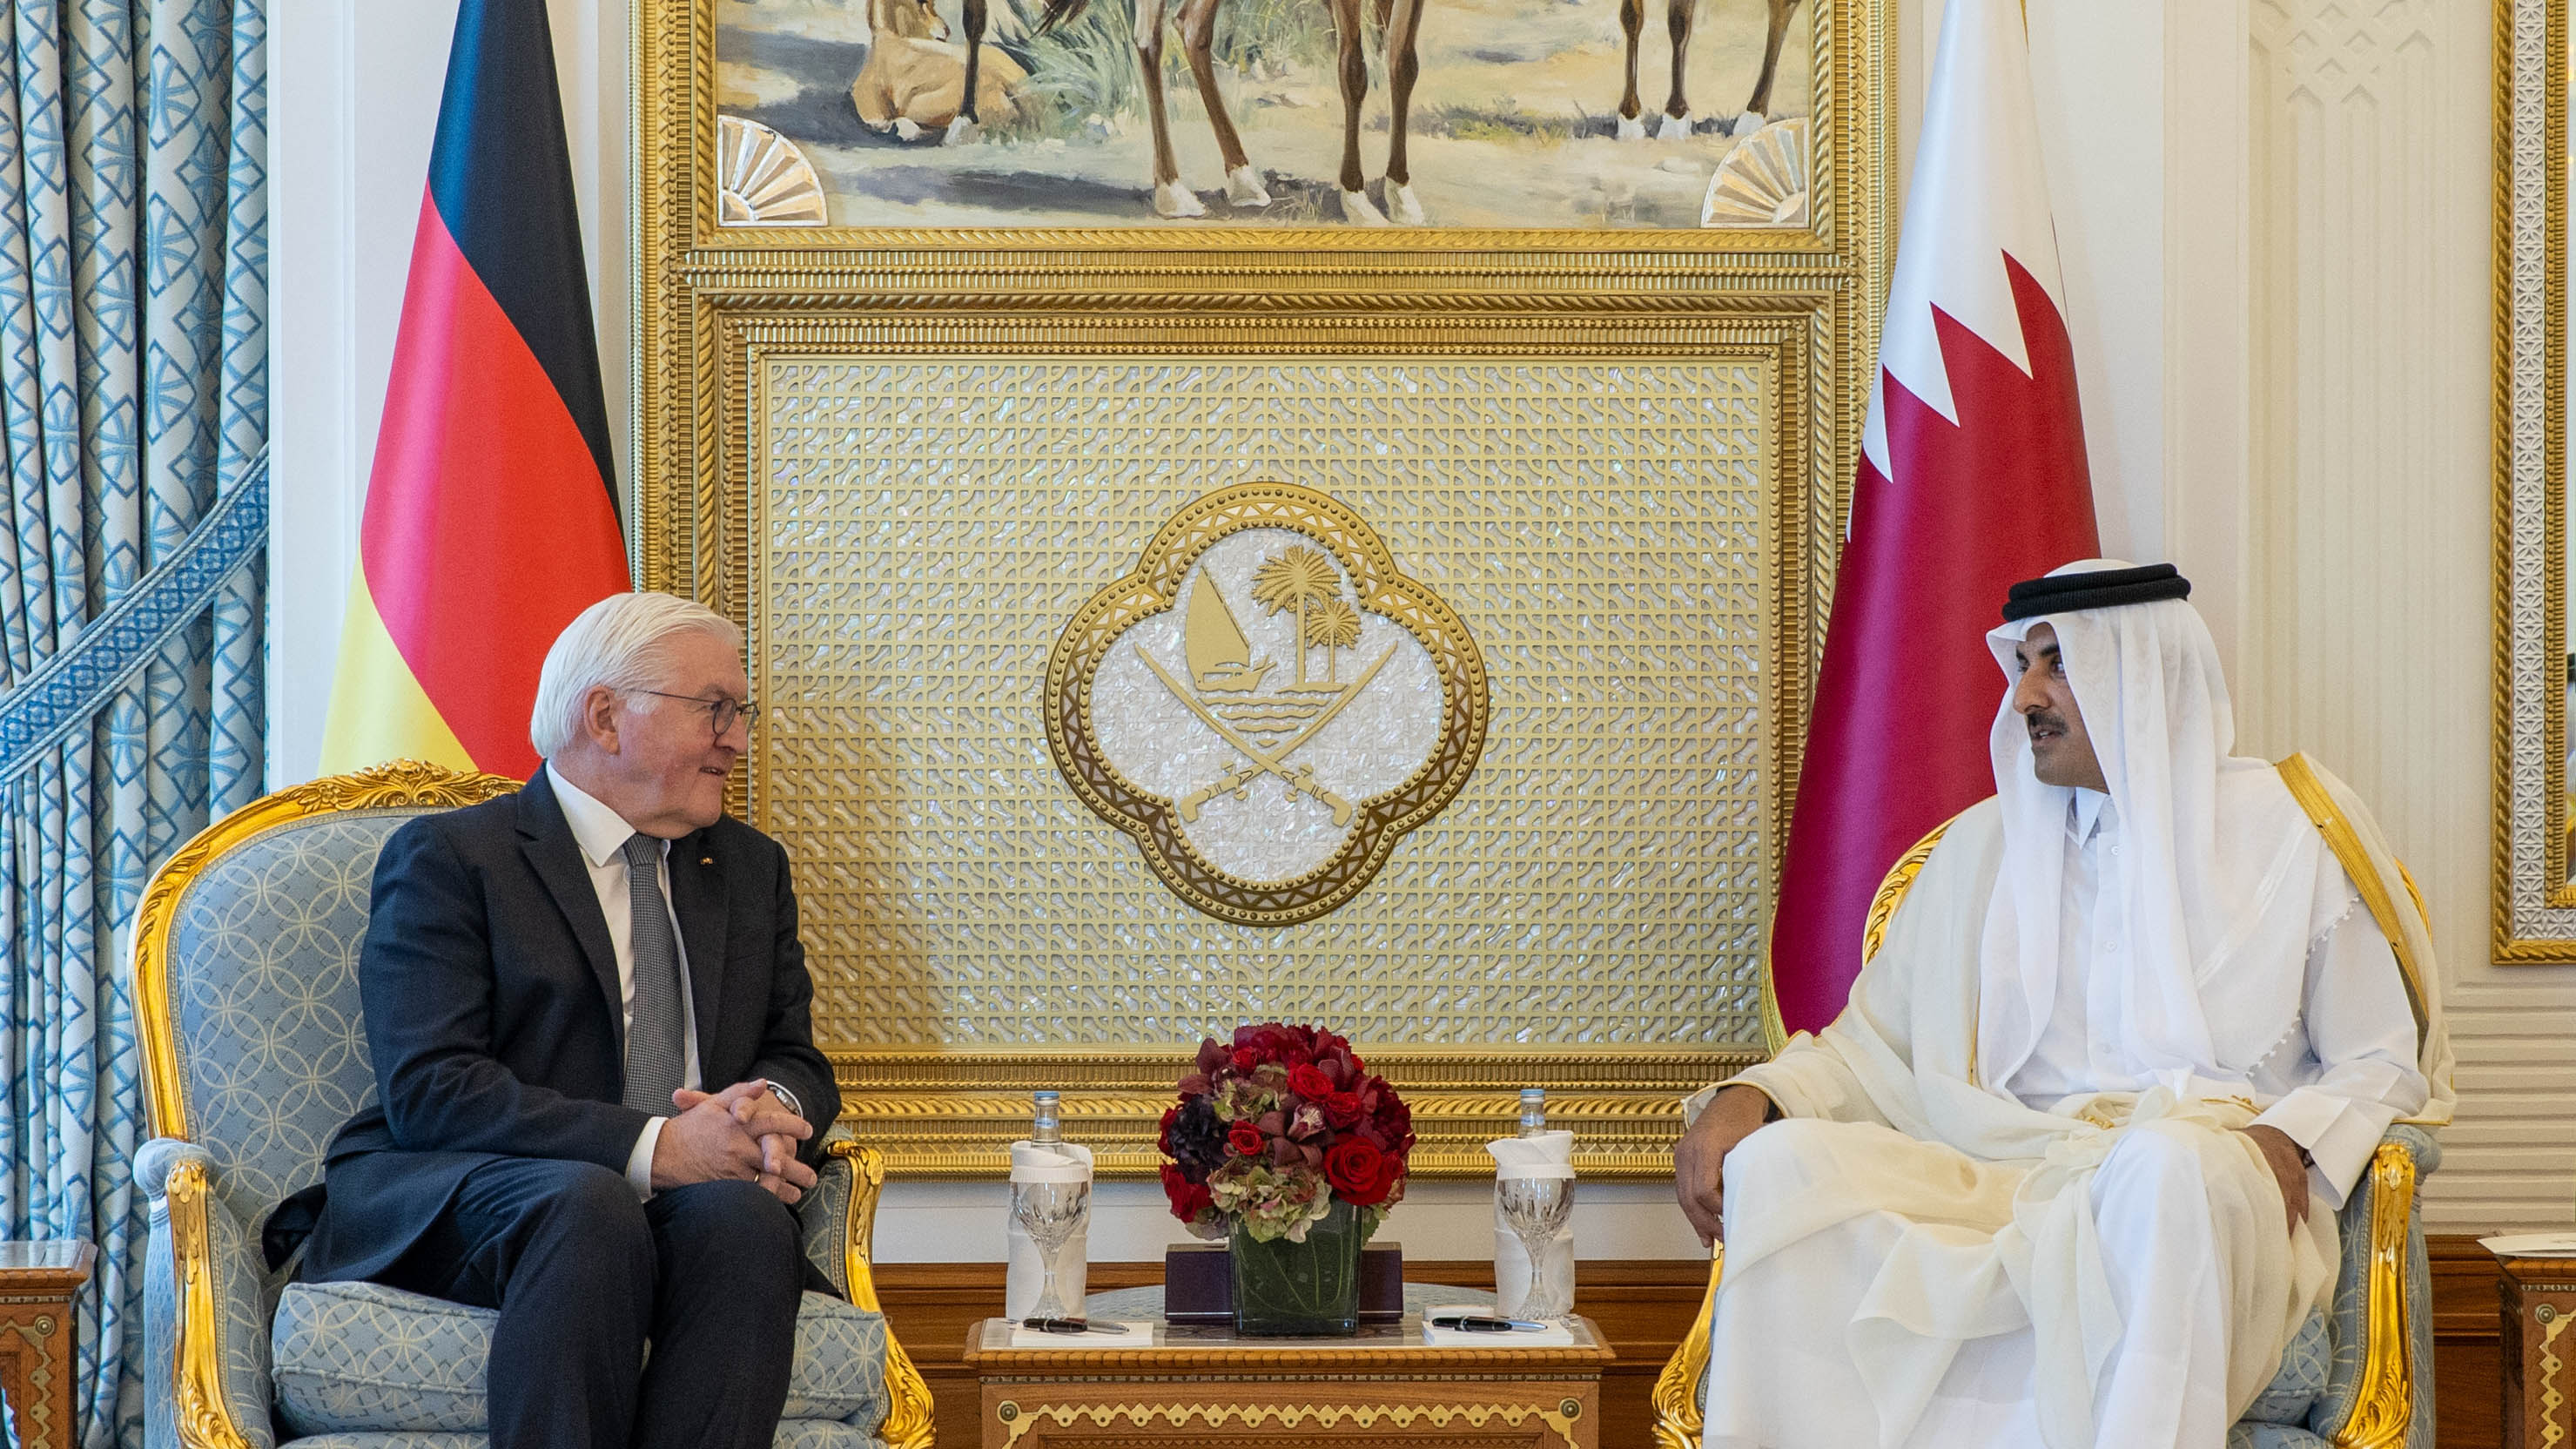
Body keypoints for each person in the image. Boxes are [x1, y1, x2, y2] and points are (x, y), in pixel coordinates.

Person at [1671, 560, 2455, 1449]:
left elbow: (2385, 1056)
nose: (2023, 698)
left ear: (2146, 674)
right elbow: (1869, 1051)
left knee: (2160, 1165)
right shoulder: (1980, 850)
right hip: (2009, 1171)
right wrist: (1756, 1095)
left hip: (2207, 1181)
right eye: (2024, 666)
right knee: (1785, 1166)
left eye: (2057, 665)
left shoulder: (2291, 828)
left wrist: (2290, 1134)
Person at [301, 591, 842, 1449]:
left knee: (745, 1221)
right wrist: (658, 1147)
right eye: (716, 709)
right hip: (481, 1192)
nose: (737, 737)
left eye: (740, 712)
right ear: (605, 715)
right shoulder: (453, 858)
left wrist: (763, 1114)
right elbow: (432, 1088)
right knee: (587, 1203)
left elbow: (792, 1053)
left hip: (678, 1207)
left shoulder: (748, 869)